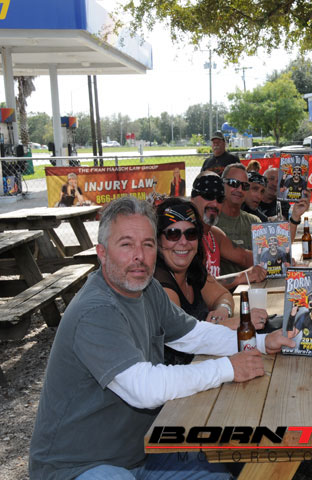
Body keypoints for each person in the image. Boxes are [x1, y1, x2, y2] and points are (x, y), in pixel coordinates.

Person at [29, 196, 295, 479]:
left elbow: (194, 334)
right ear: (102, 253)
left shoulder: (146, 289)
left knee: (221, 472)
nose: (139, 256)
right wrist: (228, 368)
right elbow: (144, 388)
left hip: (141, 451)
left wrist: (261, 343)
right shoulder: (96, 310)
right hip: (79, 466)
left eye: (147, 244)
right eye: (126, 244)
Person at [154, 199, 270, 364]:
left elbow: (222, 295)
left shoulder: (192, 270)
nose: (183, 241)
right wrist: (234, 323)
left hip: (207, 362)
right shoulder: (160, 284)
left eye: (191, 233)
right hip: (183, 373)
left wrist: (222, 310)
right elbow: (185, 337)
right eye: (173, 234)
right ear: (158, 241)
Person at [190, 172, 267, 290]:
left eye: (220, 199)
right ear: (192, 199)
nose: (215, 203)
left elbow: (244, 258)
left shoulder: (214, 234)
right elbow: (196, 286)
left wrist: (280, 260)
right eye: (208, 196)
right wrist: (243, 276)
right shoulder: (186, 236)